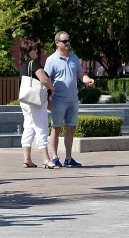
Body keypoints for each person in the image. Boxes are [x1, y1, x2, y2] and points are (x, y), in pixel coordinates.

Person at [44, 31, 95, 168]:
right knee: (56, 128)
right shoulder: (51, 60)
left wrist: (87, 80)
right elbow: (46, 80)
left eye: (68, 40)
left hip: (73, 99)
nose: (67, 43)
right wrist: (48, 99)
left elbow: (80, 74)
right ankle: (54, 157)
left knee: (71, 128)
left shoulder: (74, 58)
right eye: (64, 41)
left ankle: (68, 158)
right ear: (57, 43)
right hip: (58, 100)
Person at [17, 37, 57, 169]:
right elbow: (44, 80)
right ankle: (46, 159)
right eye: (35, 49)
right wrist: (52, 88)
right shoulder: (33, 64)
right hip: (35, 102)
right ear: (30, 51)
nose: (37, 51)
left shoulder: (23, 65)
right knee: (41, 128)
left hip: (25, 101)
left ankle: (27, 159)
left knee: (28, 128)